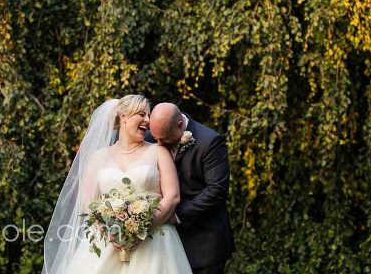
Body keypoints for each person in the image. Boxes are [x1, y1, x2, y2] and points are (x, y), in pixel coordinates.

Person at [42, 95, 192, 274]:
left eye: (149, 115)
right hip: (108, 242)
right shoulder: (97, 157)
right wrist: (110, 232)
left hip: (155, 243)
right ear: (123, 117)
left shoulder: (158, 151)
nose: (147, 120)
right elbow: (87, 204)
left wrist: (143, 228)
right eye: (141, 114)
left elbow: (173, 196)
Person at [147, 102, 235, 274]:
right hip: (165, 243)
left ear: (180, 125)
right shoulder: (152, 138)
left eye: (164, 138)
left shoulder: (210, 141)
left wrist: (177, 215)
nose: (158, 143)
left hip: (204, 244)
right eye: (155, 136)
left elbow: (216, 191)